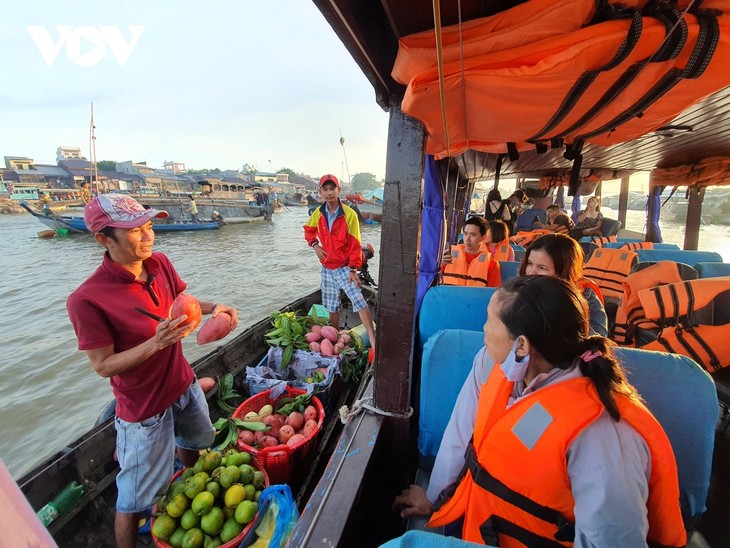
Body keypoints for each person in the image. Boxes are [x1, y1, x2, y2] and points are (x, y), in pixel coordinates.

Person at [392, 276, 686, 548]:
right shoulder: (502, 371)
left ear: (521, 346)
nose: (483, 329)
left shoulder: (601, 434)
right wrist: (435, 498)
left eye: (489, 321)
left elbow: (612, 539)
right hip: (481, 528)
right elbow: (464, 436)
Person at [66, 193, 239, 548]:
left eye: (148, 226)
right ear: (103, 239)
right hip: (144, 410)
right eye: (134, 230)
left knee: (195, 444)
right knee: (131, 500)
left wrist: (215, 307)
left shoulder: (158, 263)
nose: (148, 235)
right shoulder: (87, 299)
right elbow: (103, 366)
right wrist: (155, 344)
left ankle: (194, 485)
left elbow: (183, 304)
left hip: (183, 384)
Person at [304, 174, 376, 347]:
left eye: (332, 188)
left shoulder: (349, 214)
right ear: (320, 192)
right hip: (327, 267)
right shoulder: (318, 213)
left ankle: (374, 340)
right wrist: (315, 245)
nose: (329, 193)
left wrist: (353, 270)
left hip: (344, 267)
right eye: (325, 189)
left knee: (358, 300)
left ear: (339, 190)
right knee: (331, 304)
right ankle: (335, 336)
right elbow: (308, 230)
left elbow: (355, 245)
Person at [520, 233, 607, 336]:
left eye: (542, 268)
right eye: (529, 263)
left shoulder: (586, 298)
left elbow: (597, 343)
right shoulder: (517, 293)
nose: (531, 272)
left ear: (561, 272)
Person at [442, 216, 501, 287]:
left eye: (473, 235)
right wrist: (437, 267)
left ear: (484, 237)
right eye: (465, 234)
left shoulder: (492, 265)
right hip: (447, 297)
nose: (467, 239)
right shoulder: (446, 256)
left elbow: (493, 294)